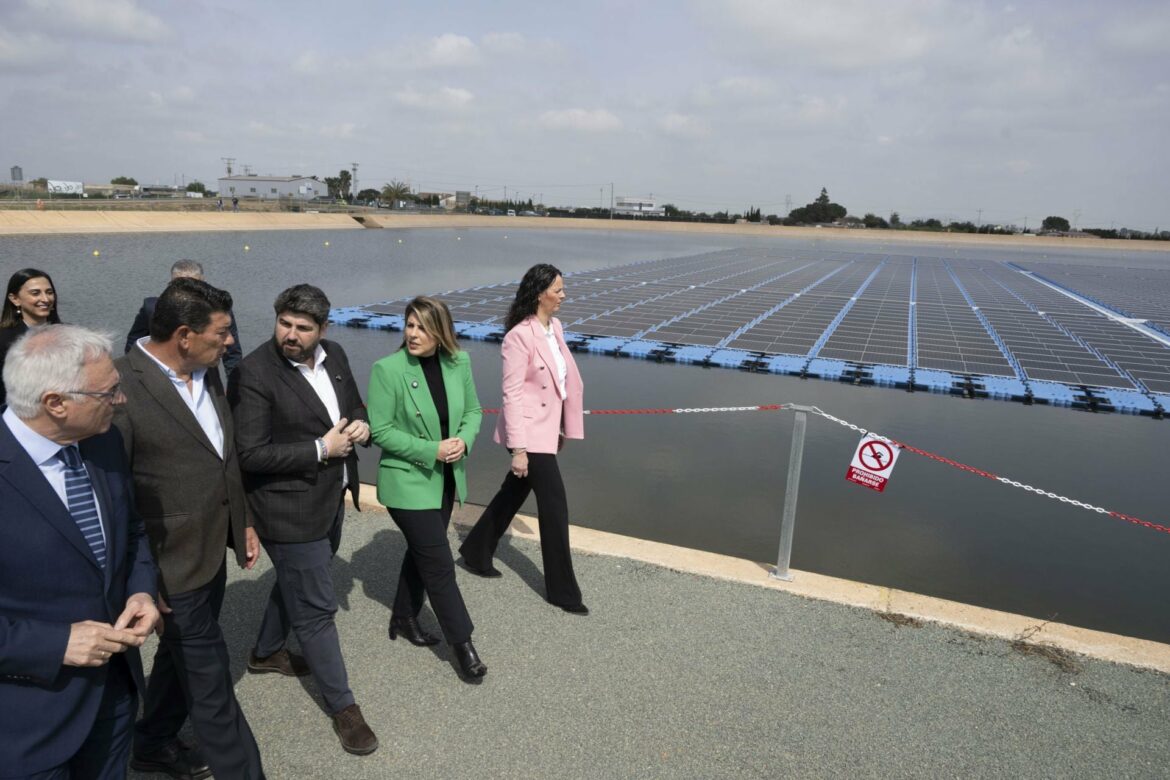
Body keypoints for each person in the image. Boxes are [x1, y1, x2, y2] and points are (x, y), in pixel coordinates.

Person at [114, 277, 266, 779]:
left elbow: (223, 455)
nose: (230, 341)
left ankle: (152, 742)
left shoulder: (207, 368)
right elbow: (115, 497)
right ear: (184, 335)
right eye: (222, 332)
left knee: (181, 657)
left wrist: (242, 522)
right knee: (211, 681)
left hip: (211, 550)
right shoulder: (120, 386)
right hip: (168, 566)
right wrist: (141, 578)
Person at [0, 324, 160, 777]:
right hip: (25, 726)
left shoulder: (103, 440)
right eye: (108, 393)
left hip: (113, 701)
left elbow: (132, 531)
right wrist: (57, 644)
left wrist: (142, 591)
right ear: (55, 403)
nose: (121, 400)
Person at [228, 284, 378, 756]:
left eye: (303, 328)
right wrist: (320, 449)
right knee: (316, 610)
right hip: (286, 510)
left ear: (323, 329)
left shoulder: (335, 355)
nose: (290, 335)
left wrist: (362, 424)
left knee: (296, 580)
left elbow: (353, 405)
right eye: (284, 323)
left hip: (331, 499)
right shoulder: (253, 372)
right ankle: (344, 708)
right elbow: (249, 454)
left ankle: (265, 652)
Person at [367, 296, 486, 681]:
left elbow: (473, 411)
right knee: (439, 562)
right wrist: (430, 450)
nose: (413, 334)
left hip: (446, 478)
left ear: (441, 331)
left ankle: (404, 616)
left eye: (423, 327)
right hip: (407, 479)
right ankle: (463, 645)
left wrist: (464, 440)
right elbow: (381, 431)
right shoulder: (387, 370)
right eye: (410, 325)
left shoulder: (459, 362)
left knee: (424, 550)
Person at [459, 263, 588, 615]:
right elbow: (512, 395)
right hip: (528, 434)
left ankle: (475, 552)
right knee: (555, 506)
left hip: (547, 428)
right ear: (539, 294)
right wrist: (518, 449)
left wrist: (561, 425)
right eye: (558, 290)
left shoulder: (555, 327)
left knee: (512, 492)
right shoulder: (518, 337)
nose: (563, 296)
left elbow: (560, 383)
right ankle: (563, 592)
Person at [125, 260, 243, 375]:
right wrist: (135, 375)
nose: (188, 293)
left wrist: (234, 383)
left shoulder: (220, 312)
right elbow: (133, 343)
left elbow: (232, 352)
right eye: (181, 287)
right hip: (162, 374)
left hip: (206, 374)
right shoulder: (152, 308)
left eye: (195, 287)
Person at [0, 268, 62, 405]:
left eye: (49, 292)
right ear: (15, 299)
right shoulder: (3, 340)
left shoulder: (70, 335)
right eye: (35, 293)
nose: (45, 299)